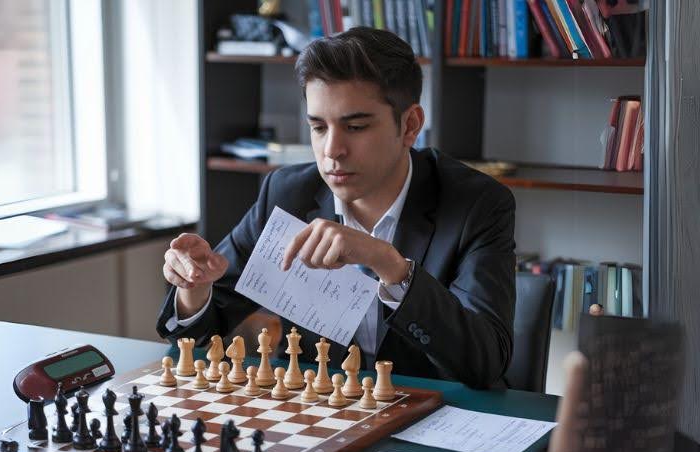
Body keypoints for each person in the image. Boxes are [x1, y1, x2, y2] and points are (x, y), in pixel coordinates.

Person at [157, 27, 516, 388]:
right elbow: (201, 329)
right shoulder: (288, 193)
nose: (332, 150)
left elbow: (485, 362)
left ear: (410, 126)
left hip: (436, 419)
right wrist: (194, 287)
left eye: (355, 126)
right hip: (322, 415)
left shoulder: (477, 204)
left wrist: (390, 265)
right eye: (317, 127)